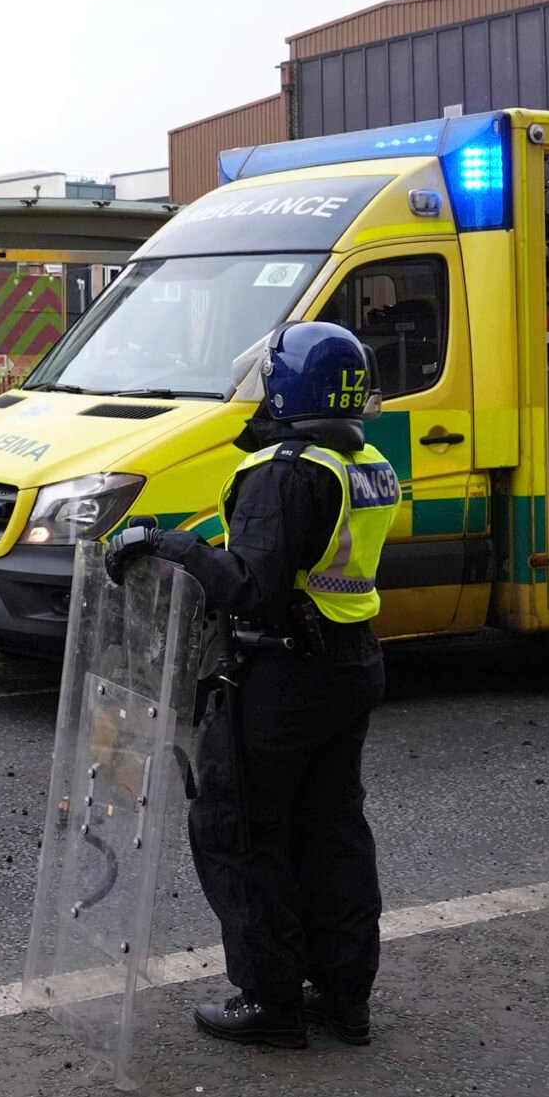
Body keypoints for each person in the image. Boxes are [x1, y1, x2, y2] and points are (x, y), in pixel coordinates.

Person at [102, 319, 395, 1050]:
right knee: (331, 826)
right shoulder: (364, 462)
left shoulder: (286, 468)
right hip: (348, 660)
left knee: (237, 827)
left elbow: (252, 586)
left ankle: (271, 998)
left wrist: (159, 542)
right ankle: (343, 994)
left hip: (286, 672)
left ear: (288, 387)